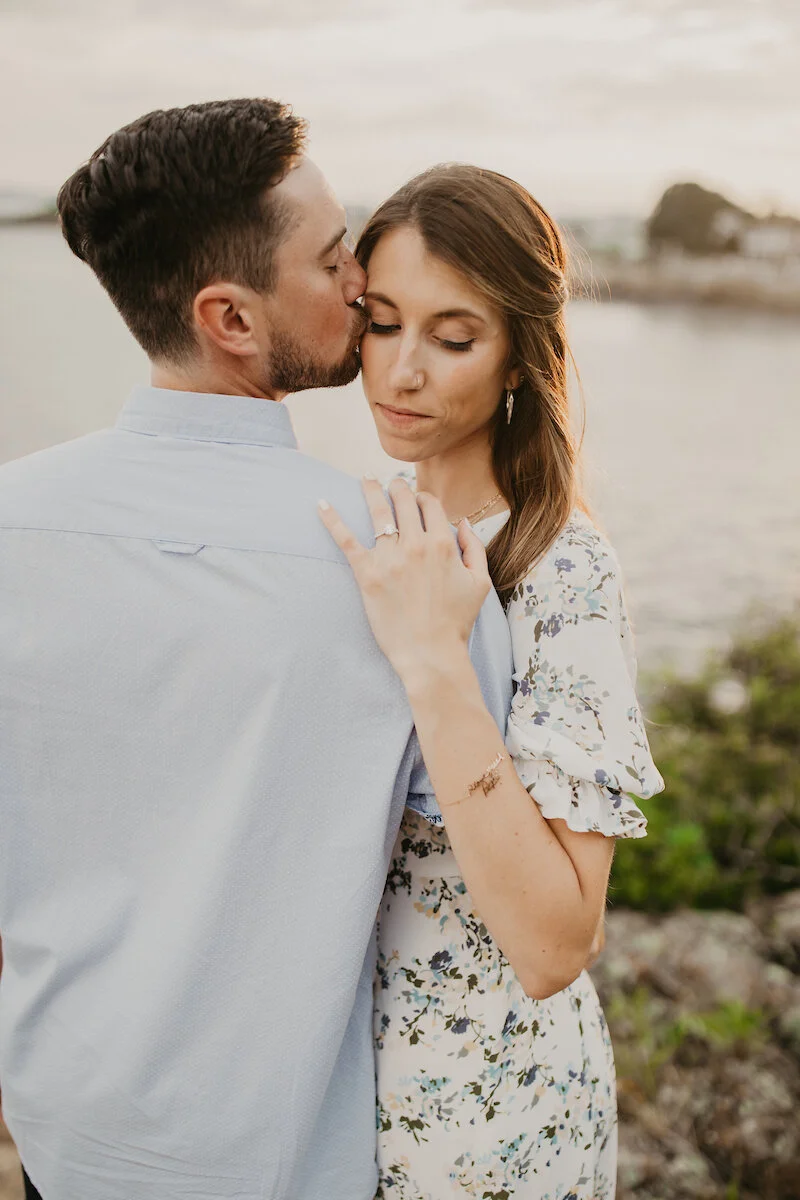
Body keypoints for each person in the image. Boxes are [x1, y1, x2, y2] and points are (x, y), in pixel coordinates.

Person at [0, 105, 514, 1200]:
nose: (362, 288)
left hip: (64, 1139)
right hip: (284, 1163)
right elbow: (482, 890)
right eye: (333, 261)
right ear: (230, 317)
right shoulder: (413, 562)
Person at [319, 163, 664, 1198]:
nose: (401, 371)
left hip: (489, 1122)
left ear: (518, 355)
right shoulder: (372, 527)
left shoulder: (562, 570)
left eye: (452, 337)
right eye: (382, 323)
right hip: (333, 1095)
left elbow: (557, 942)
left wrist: (436, 663)